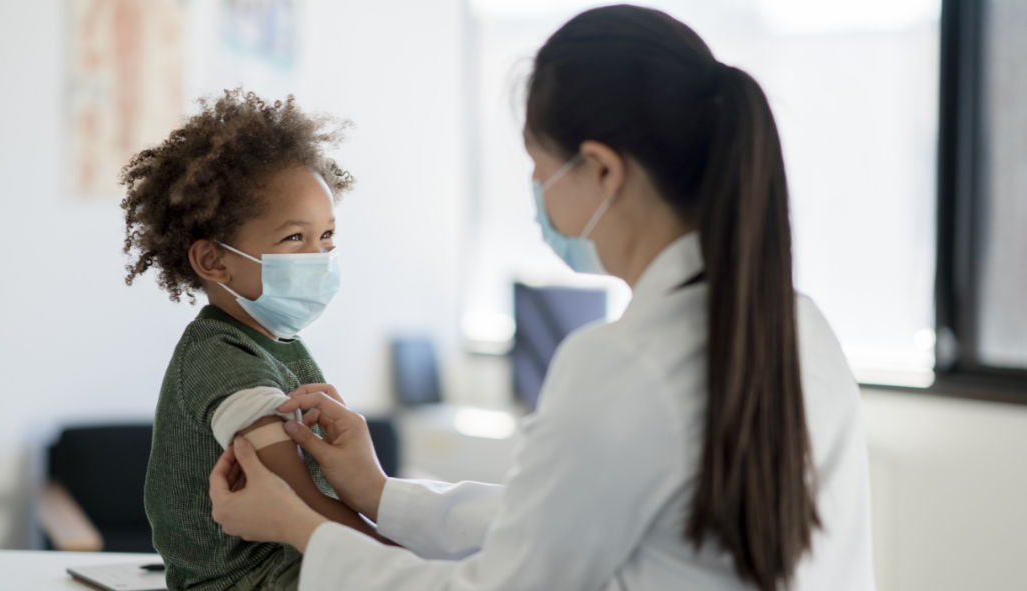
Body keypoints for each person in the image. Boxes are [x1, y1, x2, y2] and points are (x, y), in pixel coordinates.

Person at [208, 6, 875, 591]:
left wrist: (299, 527)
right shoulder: (799, 324)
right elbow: (561, 517)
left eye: (538, 168)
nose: (537, 196)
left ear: (604, 170)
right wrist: (380, 493)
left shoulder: (624, 362)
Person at [123, 89, 387, 591]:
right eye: (294, 238)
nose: (320, 256)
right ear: (213, 261)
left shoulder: (276, 340)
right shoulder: (219, 357)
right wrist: (410, 560)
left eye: (327, 235)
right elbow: (300, 500)